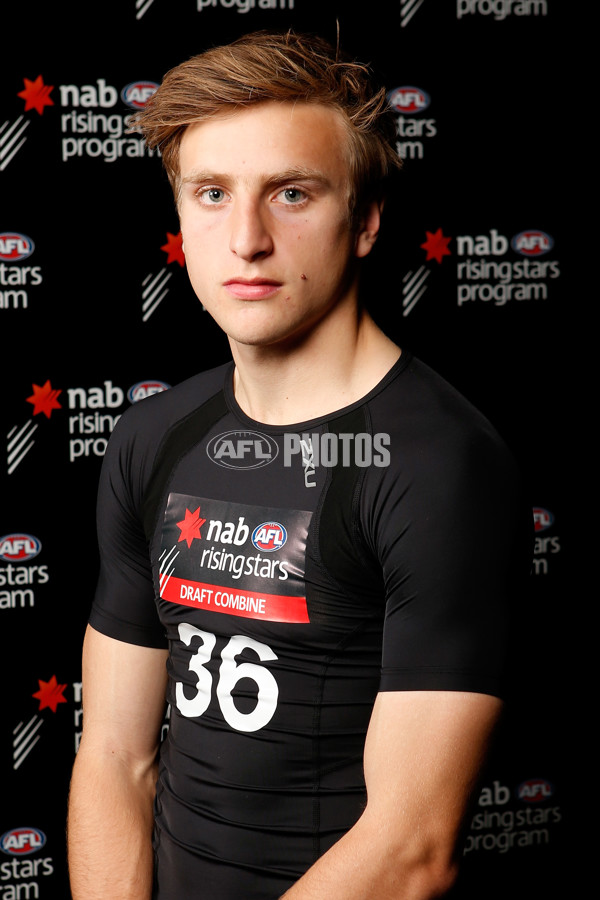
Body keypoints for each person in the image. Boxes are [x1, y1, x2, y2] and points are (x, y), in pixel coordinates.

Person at [67, 30, 530, 900]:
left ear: (364, 222)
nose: (246, 239)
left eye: (292, 193)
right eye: (212, 194)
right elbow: (116, 757)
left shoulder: (440, 467)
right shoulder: (152, 437)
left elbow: (410, 850)